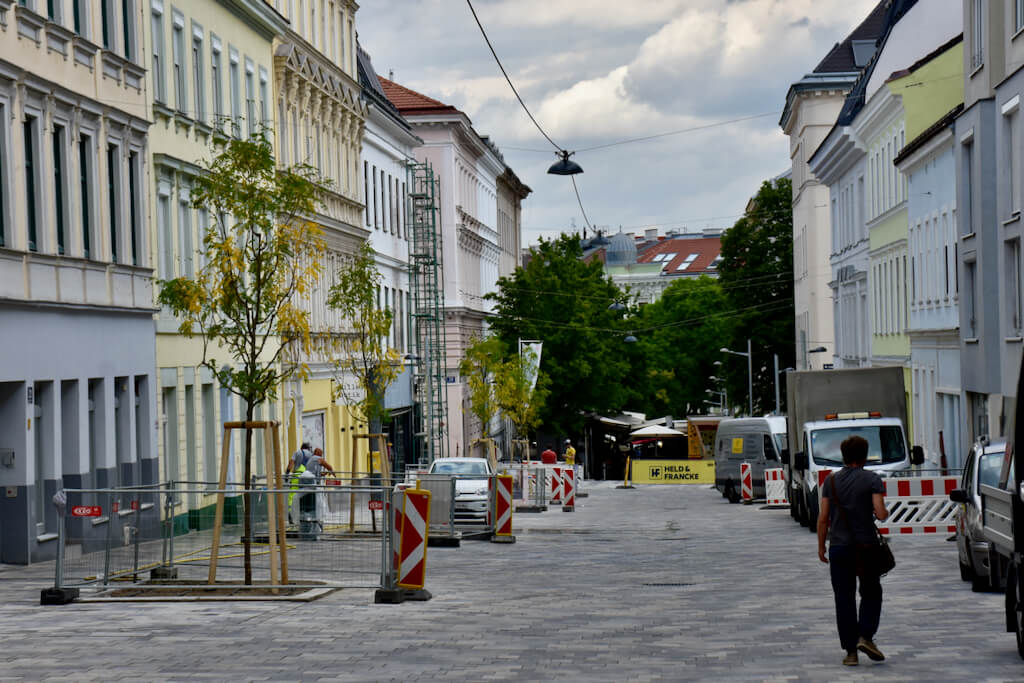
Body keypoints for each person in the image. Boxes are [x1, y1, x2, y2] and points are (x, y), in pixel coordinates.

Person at [817, 435, 890, 667]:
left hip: (838, 548)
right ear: (865, 455)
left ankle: (851, 653)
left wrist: (821, 546)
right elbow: (880, 514)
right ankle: (865, 636)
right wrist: (883, 511)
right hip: (866, 547)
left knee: (843, 598)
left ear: (844, 455)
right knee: (871, 592)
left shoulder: (831, 481)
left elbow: (822, 518)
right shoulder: (872, 479)